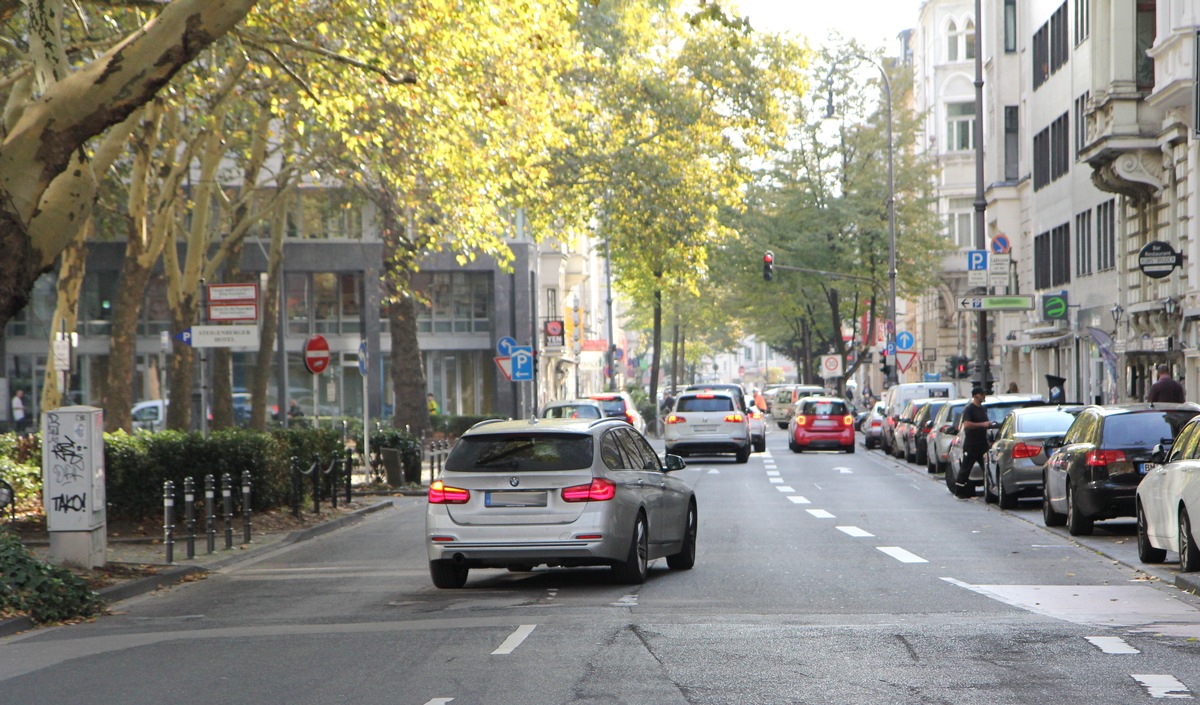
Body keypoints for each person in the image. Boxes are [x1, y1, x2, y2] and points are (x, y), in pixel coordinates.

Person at [955, 387, 992, 499]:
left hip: (982, 443)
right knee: (966, 468)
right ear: (976, 396)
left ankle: (990, 490)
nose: (984, 396)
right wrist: (982, 424)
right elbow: (966, 424)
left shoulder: (983, 409)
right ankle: (959, 492)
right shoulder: (969, 409)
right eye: (982, 394)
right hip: (972, 444)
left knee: (987, 467)